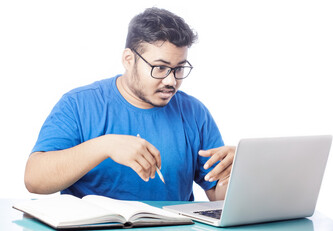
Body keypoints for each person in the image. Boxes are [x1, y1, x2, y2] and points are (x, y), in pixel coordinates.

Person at [24, 7, 235, 201]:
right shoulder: (79, 104)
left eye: (179, 68)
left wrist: (239, 173)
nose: (171, 81)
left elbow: (218, 196)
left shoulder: (194, 113)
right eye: (160, 68)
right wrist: (104, 146)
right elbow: (35, 180)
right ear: (128, 59)